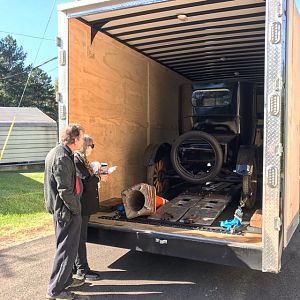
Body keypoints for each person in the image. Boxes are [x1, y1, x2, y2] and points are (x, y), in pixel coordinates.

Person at [44, 124, 85, 300]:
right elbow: (65, 191)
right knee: (66, 250)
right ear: (75, 139)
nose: (83, 141)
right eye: (82, 138)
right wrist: (76, 210)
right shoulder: (62, 157)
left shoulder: (60, 152)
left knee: (67, 249)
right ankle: (55, 290)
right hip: (66, 212)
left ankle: (65, 280)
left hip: (64, 211)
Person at [73, 134, 108, 281]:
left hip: (84, 205)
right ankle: (83, 270)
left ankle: (75, 267)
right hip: (81, 206)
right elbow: (87, 183)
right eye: (91, 145)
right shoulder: (77, 160)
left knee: (79, 238)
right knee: (80, 239)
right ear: (85, 145)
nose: (92, 149)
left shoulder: (81, 159)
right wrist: (99, 177)